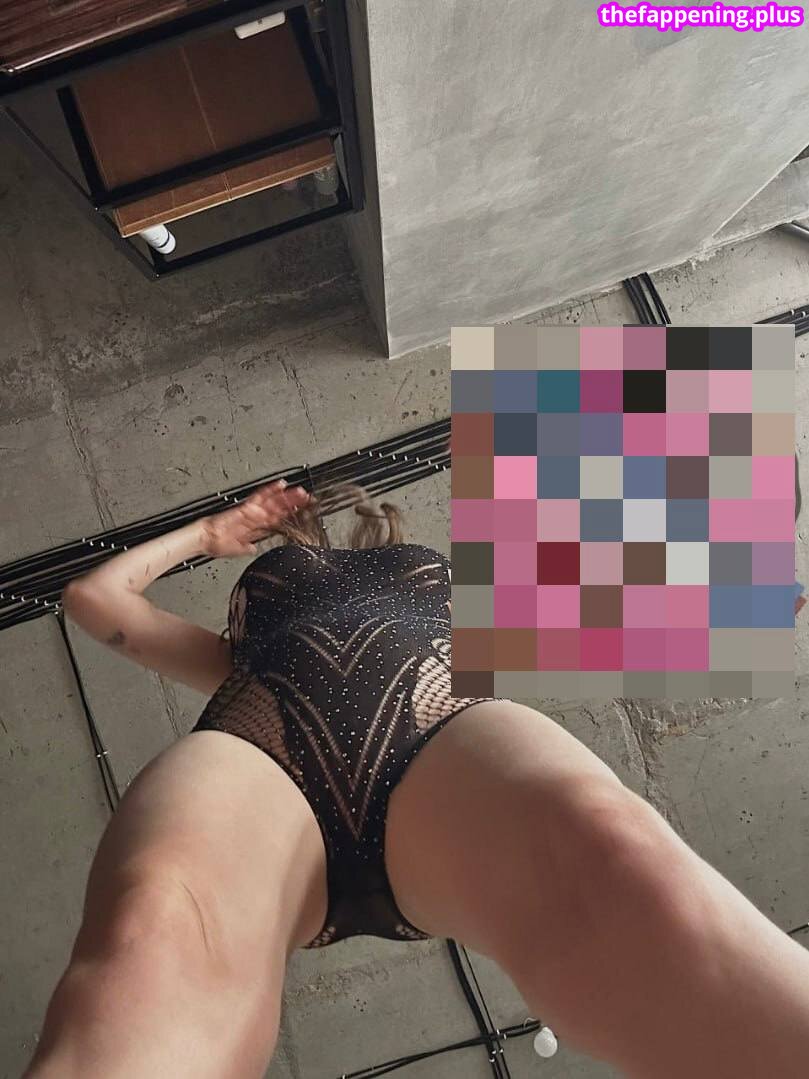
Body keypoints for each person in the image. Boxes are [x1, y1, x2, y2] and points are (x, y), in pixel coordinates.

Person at [25, 479, 809, 1079]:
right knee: (152, 927)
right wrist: (207, 534)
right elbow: (93, 599)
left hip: (445, 749)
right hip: (264, 764)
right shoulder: (227, 656)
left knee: (618, 850)